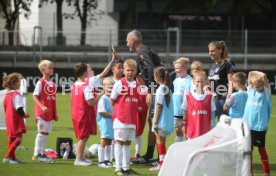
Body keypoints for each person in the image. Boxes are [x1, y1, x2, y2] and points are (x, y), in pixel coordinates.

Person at [125, 29, 162, 164]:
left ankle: (158, 157)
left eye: (127, 40)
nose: (126, 42)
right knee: (152, 122)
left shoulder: (142, 51)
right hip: (158, 89)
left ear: (134, 41)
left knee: (155, 122)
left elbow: (151, 69)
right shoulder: (145, 50)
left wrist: (150, 90)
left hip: (156, 90)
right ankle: (151, 155)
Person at [110, 59, 140, 175]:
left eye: (132, 70)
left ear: (136, 71)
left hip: (132, 120)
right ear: (123, 71)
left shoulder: (137, 85)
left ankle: (126, 167)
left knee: (127, 143)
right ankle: (118, 168)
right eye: (128, 70)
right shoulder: (119, 83)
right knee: (119, 143)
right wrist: (119, 111)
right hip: (121, 119)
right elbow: (112, 100)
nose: (130, 72)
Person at [71, 63, 103, 166]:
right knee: (83, 137)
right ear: (85, 73)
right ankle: (79, 159)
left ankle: (81, 157)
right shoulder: (86, 87)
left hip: (76, 114)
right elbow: (91, 102)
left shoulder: (74, 85)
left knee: (82, 136)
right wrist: (99, 95)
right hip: (83, 114)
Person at [243, 71, 272, 176]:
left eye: (261, 85)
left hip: (259, 127)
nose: (259, 88)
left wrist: (259, 76)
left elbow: (264, 76)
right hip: (248, 126)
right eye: (257, 86)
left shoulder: (266, 93)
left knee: (262, 151)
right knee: (248, 151)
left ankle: (266, 172)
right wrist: (254, 77)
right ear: (252, 85)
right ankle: (249, 172)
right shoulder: (250, 91)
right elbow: (250, 73)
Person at [32, 60, 57, 163]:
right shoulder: (40, 82)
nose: (52, 70)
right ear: (43, 69)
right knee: (41, 133)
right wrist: (42, 106)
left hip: (49, 114)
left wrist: (55, 113)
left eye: (52, 68)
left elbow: (53, 100)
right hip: (42, 113)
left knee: (46, 133)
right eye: (50, 68)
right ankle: (36, 154)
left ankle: (42, 153)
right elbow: (34, 96)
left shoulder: (52, 83)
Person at [149, 66, 174, 171]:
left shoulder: (160, 89)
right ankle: (163, 163)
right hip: (167, 120)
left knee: (159, 141)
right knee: (162, 141)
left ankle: (162, 164)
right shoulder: (168, 89)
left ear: (156, 77)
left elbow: (159, 106)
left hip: (161, 120)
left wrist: (155, 122)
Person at [2, 73, 29, 164]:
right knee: (18, 139)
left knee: (12, 139)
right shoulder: (16, 95)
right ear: (13, 84)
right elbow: (19, 108)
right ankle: (7, 157)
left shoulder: (7, 95)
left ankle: (12, 158)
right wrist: (24, 115)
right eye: (18, 82)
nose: (20, 84)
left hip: (9, 119)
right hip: (15, 120)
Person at [181, 70, 216, 139]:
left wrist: (212, 126)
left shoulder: (209, 97)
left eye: (202, 82)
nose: (200, 84)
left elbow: (212, 113)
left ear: (206, 82)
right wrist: (184, 125)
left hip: (205, 131)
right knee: (191, 149)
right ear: (194, 82)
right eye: (198, 82)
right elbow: (185, 111)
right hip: (192, 130)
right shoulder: (188, 96)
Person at [207, 41, 235, 121]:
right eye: (209, 51)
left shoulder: (227, 63)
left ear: (220, 50)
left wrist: (228, 100)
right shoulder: (212, 66)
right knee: (209, 122)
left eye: (213, 51)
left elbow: (231, 83)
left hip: (223, 98)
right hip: (213, 98)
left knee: (223, 123)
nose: (210, 53)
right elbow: (210, 83)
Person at [172, 57, 193, 143]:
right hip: (176, 111)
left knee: (187, 132)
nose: (176, 70)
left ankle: (187, 149)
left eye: (177, 68)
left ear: (184, 68)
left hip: (186, 112)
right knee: (178, 131)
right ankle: (178, 149)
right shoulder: (176, 80)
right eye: (175, 68)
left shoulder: (190, 81)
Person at [96, 77, 114, 168]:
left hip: (111, 123)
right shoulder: (103, 99)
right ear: (104, 87)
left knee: (109, 141)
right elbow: (101, 112)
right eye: (109, 87)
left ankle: (107, 160)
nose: (111, 89)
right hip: (105, 123)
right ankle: (100, 161)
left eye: (113, 87)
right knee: (104, 141)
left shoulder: (112, 98)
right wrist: (113, 116)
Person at [130, 74, 149, 160]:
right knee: (128, 133)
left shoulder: (147, 88)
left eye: (140, 77)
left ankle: (137, 153)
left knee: (138, 134)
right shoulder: (132, 86)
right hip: (132, 113)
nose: (138, 79)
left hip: (141, 114)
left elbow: (148, 102)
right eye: (137, 77)